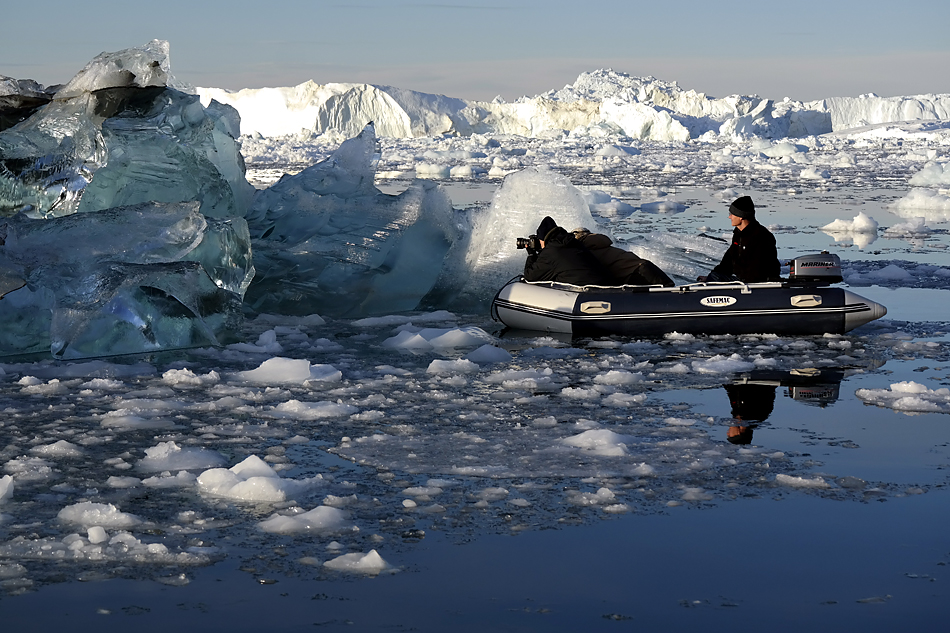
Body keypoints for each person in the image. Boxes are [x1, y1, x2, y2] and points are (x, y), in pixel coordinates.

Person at [699, 196, 781, 283]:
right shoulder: (738, 235)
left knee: (716, 278)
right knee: (714, 276)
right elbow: (728, 261)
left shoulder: (761, 236)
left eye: (732, 214)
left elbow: (757, 268)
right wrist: (710, 278)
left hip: (758, 283)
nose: (729, 217)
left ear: (741, 216)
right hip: (743, 281)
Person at [523, 216, 613, 286]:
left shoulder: (551, 251)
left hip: (588, 293)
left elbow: (530, 277)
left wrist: (531, 254)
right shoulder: (572, 242)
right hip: (605, 285)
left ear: (543, 238)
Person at [572, 227, 675, 287]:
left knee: (669, 298)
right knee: (672, 293)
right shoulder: (600, 245)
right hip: (644, 266)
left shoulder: (588, 252)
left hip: (636, 274)